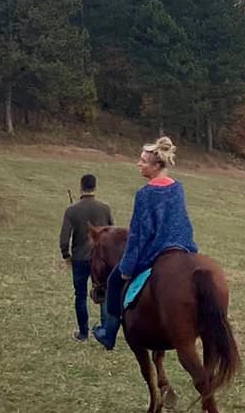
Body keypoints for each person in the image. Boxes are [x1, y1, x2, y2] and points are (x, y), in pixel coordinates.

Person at [92, 136, 198, 351]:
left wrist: (127, 267)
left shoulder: (145, 193)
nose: (138, 164)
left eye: (143, 161)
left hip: (155, 252)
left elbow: (139, 234)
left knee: (113, 283)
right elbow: (183, 221)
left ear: (156, 165)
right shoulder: (178, 187)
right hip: (184, 248)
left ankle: (108, 333)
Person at [59, 174, 112, 342]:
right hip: (101, 259)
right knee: (103, 293)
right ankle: (105, 331)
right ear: (95, 187)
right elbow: (111, 232)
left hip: (80, 259)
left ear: (81, 186)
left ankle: (83, 333)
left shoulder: (72, 210)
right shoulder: (105, 208)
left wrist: (67, 256)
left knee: (80, 295)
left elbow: (64, 240)